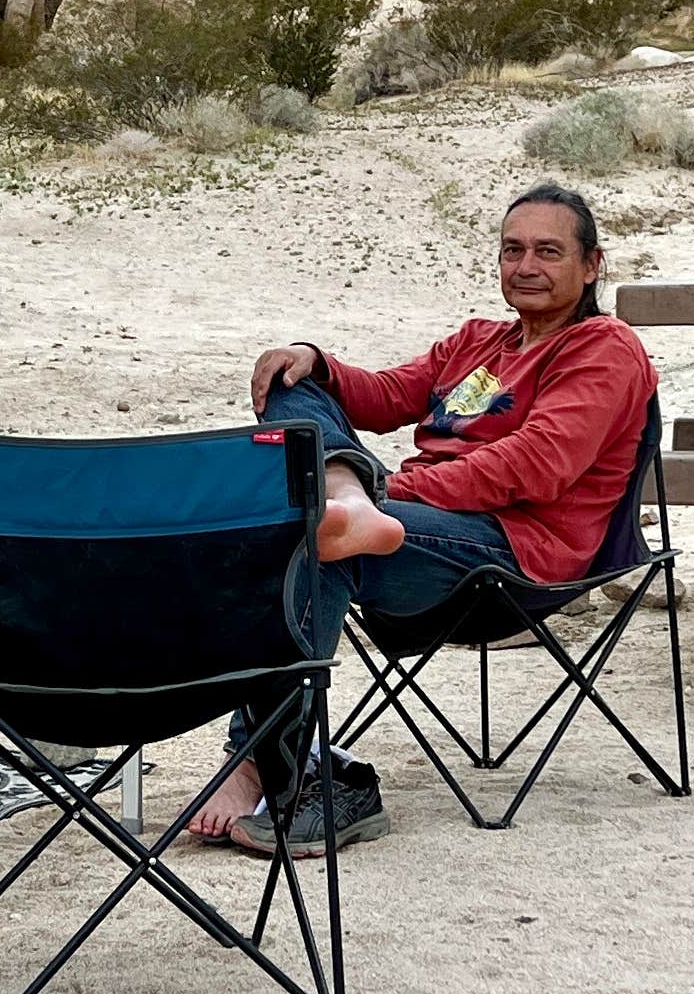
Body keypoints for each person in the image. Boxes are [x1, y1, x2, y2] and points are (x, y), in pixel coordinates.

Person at [193, 181, 657, 855]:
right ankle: (345, 499)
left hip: (516, 550)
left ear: (591, 265)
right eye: (512, 250)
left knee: (319, 542)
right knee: (297, 397)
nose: (525, 264)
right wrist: (316, 363)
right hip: (415, 519)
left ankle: (259, 764)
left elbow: (534, 465)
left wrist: (394, 490)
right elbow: (386, 395)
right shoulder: (479, 341)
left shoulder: (602, 348)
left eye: (547, 251)